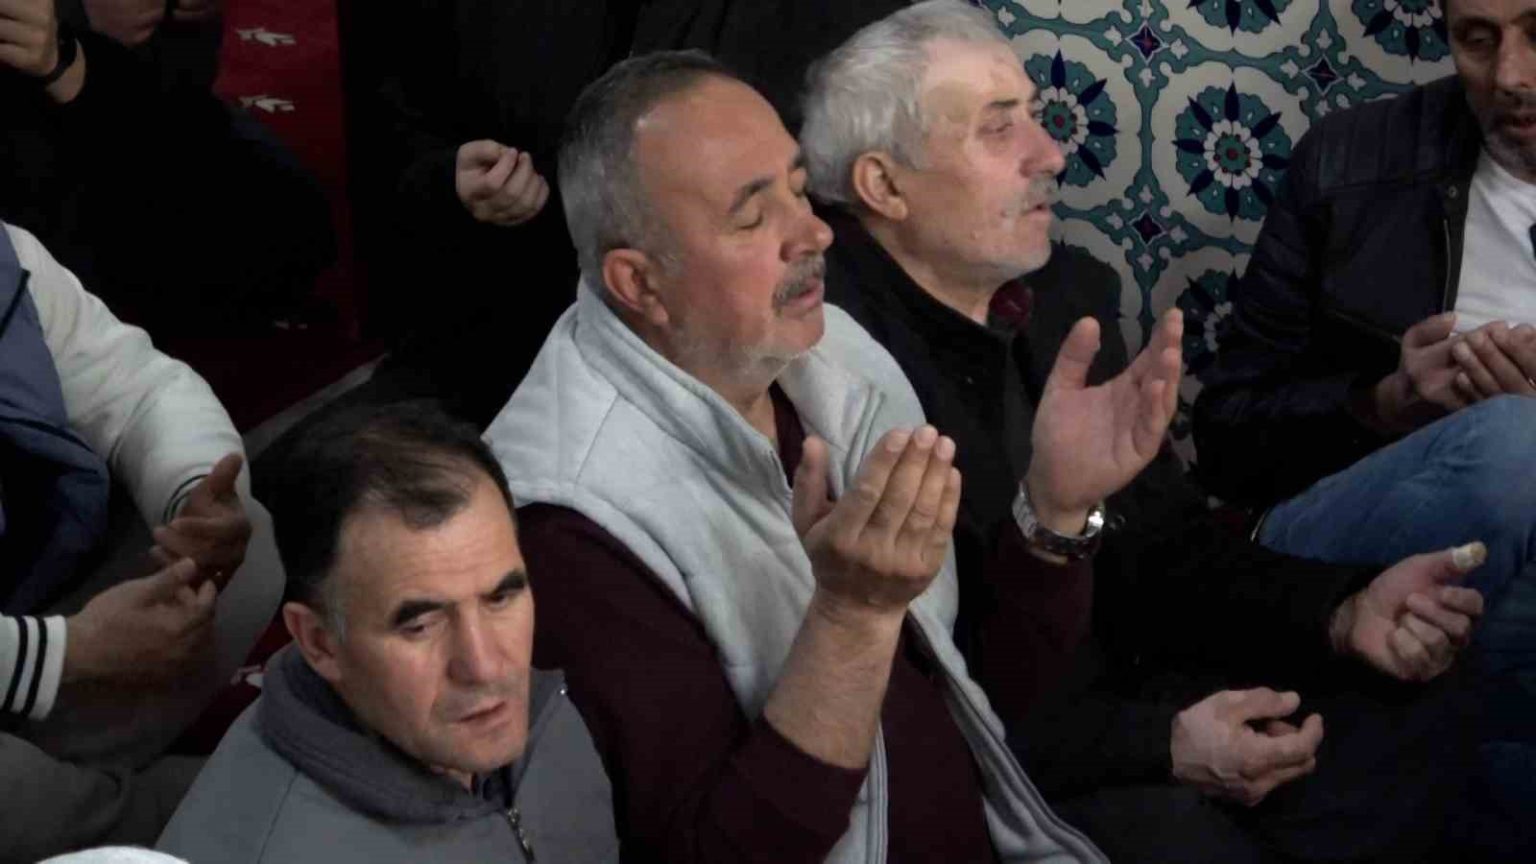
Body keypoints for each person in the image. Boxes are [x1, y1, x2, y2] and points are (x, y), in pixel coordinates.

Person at [800, 3, 1491, 861]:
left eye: (1034, 116)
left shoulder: (1062, 297)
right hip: (1019, 771)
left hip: (1139, 684)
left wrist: (1342, 610)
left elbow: (1164, 546)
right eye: (998, 128)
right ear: (883, 186)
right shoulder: (837, 375)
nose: (1051, 154)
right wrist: (1159, 743)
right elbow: (933, 706)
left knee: (1421, 698)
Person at [484, 47, 1198, 863]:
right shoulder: (567, 526)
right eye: (753, 216)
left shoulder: (827, 354)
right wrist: (850, 620)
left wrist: (1054, 511)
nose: (815, 232)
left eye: (798, 188)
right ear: (639, 284)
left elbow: (975, 697)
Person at [1191, 0, 1535, 852]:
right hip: (1331, 553)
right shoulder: (1352, 161)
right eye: (1477, 39)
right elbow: (1225, 440)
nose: (1510, 77)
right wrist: (1385, 404)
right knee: (1513, 446)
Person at [157, 402, 617, 864]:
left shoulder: (543, 713)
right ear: (319, 643)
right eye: (420, 626)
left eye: (500, 598)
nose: (485, 666)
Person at [0, 221, 283, 861]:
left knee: (246, 548)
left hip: (29, 606)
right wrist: (61, 655)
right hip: (38, 647)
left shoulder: (8, 253)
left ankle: (63, 793)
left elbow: (136, 389)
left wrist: (194, 496)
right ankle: (134, 819)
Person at [0, 0, 334, 335]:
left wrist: (184, 16)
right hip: (37, 144)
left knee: (291, 221)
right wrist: (76, 15)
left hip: (100, 88)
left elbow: (181, 82)